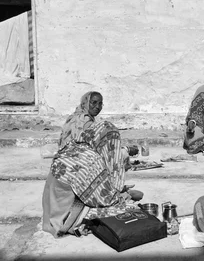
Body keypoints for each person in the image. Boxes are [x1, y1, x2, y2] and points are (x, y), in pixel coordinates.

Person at [42, 91, 141, 237]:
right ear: (85, 103)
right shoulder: (86, 126)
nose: (97, 106)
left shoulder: (76, 124)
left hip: (57, 179)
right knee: (109, 199)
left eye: (100, 103)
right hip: (64, 203)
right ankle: (70, 222)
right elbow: (103, 195)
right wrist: (117, 193)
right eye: (93, 102)